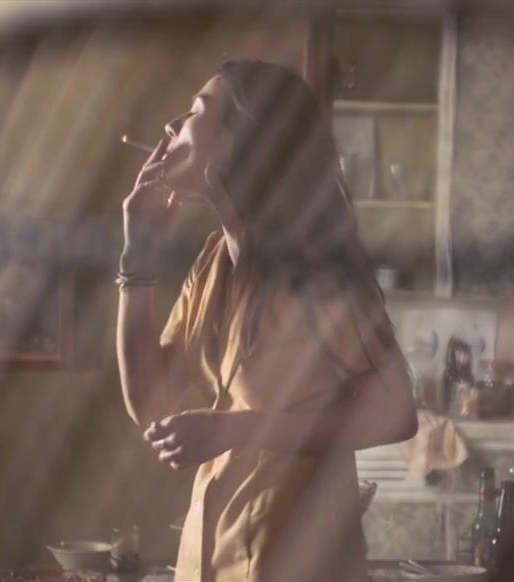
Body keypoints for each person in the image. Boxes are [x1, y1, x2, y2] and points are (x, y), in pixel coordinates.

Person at [115, 59, 417, 581]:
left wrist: (238, 428)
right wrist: (136, 260)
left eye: (196, 112)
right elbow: (150, 402)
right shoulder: (213, 261)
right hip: (209, 561)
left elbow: (396, 414)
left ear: (242, 143)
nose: (171, 125)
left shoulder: (319, 271)